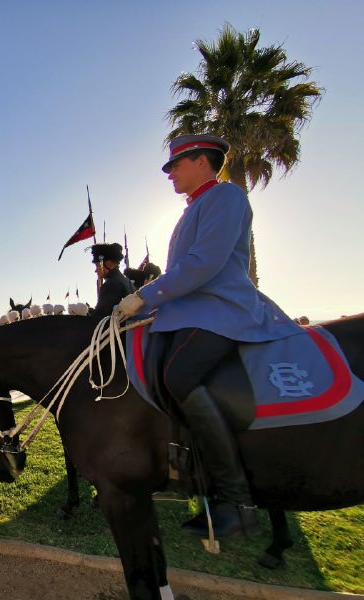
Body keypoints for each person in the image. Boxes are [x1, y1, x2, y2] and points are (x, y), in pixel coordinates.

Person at [118, 134, 302, 538]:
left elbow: (204, 264)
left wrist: (143, 297)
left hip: (221, 309)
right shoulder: (195, 208)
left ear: (202, 161)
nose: (170, 174)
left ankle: (237, 500)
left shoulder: (226, 197)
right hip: (188, 313)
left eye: (176, 166)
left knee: (180, 375)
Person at [91, 243, 135, 320]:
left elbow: (100, 318)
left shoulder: (111, 284)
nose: (96, 270)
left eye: (98, 265)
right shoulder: (127, 281)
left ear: (108, 264)